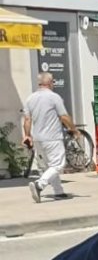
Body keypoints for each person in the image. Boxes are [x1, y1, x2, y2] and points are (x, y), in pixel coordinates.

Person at [23, 72, 77, 203]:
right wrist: (73, 129)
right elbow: (63, 116)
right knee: (58, 165)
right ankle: (39, 185)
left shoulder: (30, 98)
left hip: (38, 139)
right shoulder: (54, 97)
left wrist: (27, 135)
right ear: (50, 83)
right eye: (53, 82)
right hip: (52, 137)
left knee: (49, 166)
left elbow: (27, 119)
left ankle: (58, 191)